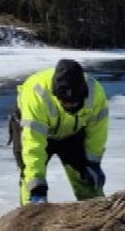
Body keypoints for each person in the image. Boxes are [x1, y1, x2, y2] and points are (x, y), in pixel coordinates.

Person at [9, 59, 109, 204]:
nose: (69, 105)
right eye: (64, 102)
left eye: (74, 102)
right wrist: (37, 186)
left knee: (87, 179)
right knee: (31, 183)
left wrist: (93, 163)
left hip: (72, 133)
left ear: (83, 93)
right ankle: (30, 213)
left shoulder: (96, 94)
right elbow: (33, 145)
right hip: (32, 132)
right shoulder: (37, 97)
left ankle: (97, 215)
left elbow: (97, 132)